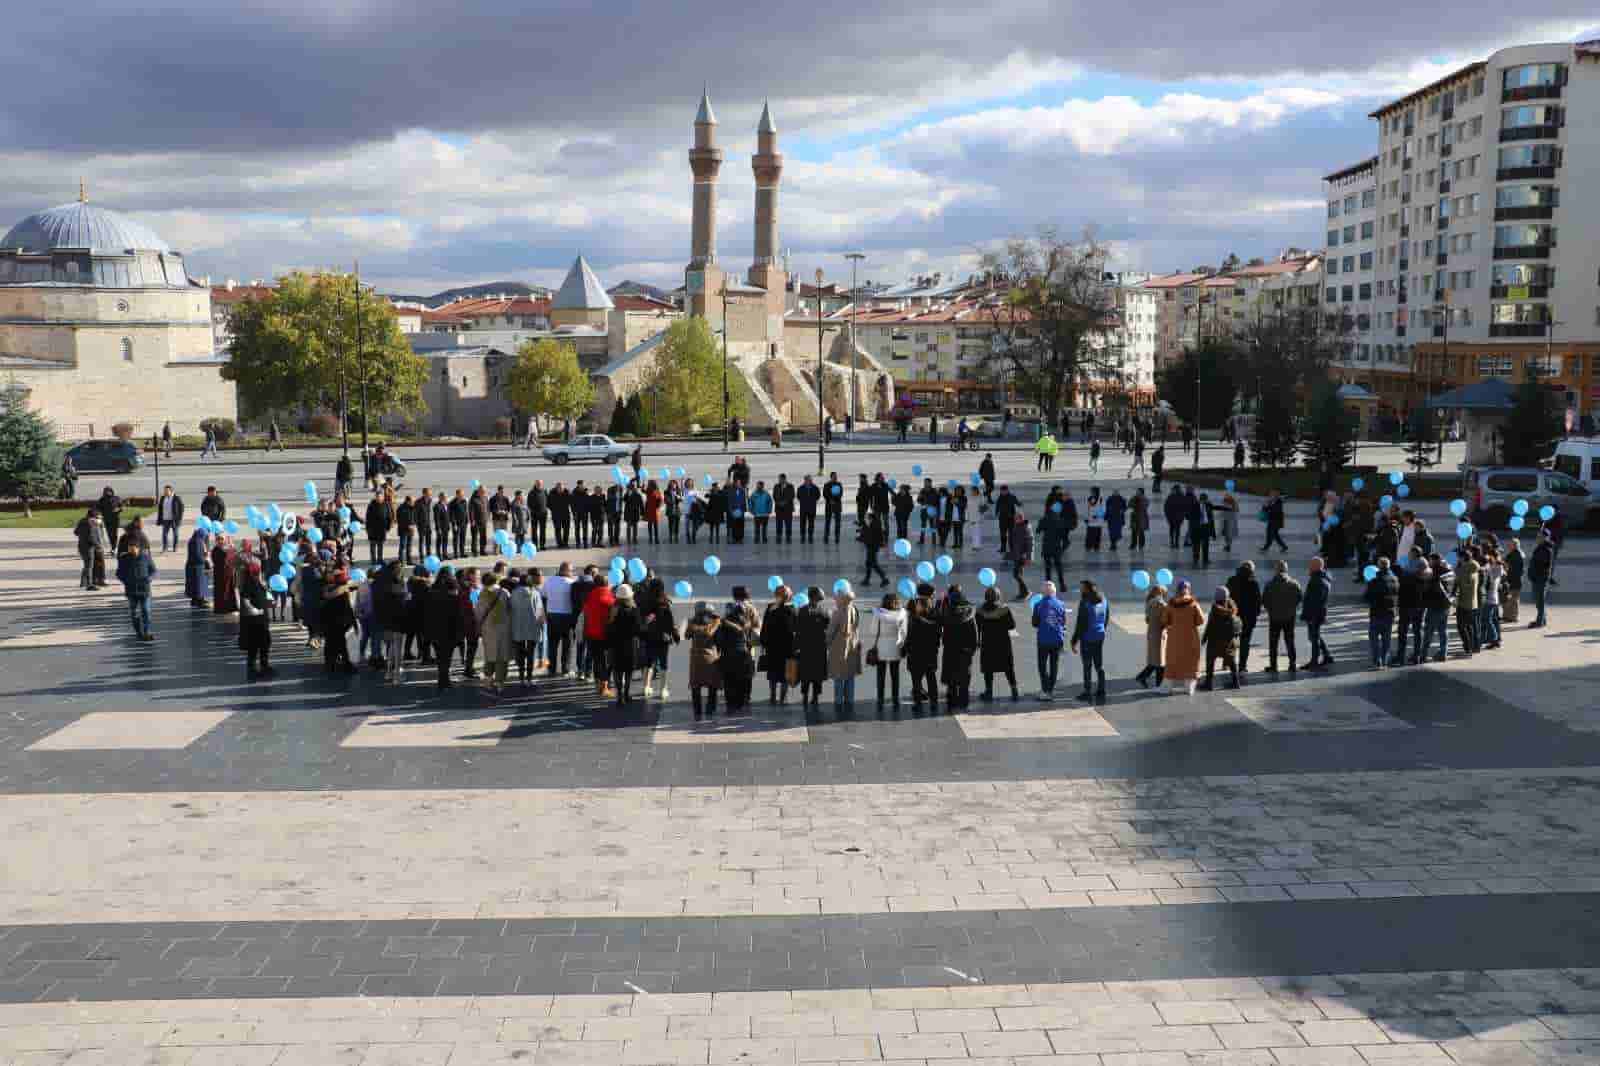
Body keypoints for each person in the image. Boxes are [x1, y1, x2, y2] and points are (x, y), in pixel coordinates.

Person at [1161, 580, 1205, 695]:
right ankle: (1189, 688)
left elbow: (1164, 619)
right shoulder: (1193, 604)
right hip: (1191, 637)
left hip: (1174, 637)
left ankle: (1167, 687)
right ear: (1188, 590)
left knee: (1172, 660)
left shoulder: (1171, 604)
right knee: (1190, 662)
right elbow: (1200, 620)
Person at [904, 583, 943, 712]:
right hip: (930, 649)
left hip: (915, 650)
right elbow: (938, 630)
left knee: (916, 679)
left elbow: (907, 631)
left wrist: (907, 647)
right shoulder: (934, 609)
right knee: (931, 677)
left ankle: (918, 703)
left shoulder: (912, 607)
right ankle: (934, 702)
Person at [975, 587, 1018, 702]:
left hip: (987, 643)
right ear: (998, 596)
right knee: (1008, 667)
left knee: (988, 669)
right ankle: (1014, 691)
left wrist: (978, 641)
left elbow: (977, 627)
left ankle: (989, 692)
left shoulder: (979, 611)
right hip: (1003, 642)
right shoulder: (1004, 610)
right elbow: (1012, 625)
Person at [826, 582, 863, 713]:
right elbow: (856, 627)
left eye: (836, 595)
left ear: (840, 596)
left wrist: (826, 643)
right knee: (849, 676)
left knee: (838, 677)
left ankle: (838, 701)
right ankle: (849, 700)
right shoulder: (854, 608)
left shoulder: (838, 611)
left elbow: (830, 632)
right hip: (852, 645)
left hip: (838, 648)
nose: (834, 597)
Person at [939, 585, 978, 709]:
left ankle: (951, 701)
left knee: (951, 678)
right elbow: (974, 632)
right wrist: (972, 648)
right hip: (965, 650)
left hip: (950, 648)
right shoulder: (969, 614)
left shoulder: (946, 613)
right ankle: (964, 701)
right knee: (964, 677)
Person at [717, 593, 757, 713]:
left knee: (729, 681)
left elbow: (719, 639)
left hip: (728, 655)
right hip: (743, 655)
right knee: (741, 681)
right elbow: (751, 638)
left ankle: (730, 705)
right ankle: (741, 703)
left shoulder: (724, 623)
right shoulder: (746, 622)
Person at [1070, 579, 1109, 703]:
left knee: (1087, 665)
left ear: (1087, 589)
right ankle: (1101, 689)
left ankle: (1087, 691)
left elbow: (1081, 624)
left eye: (1082, 588)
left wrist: (1074, 640)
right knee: (1099, 664)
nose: (1080, 590)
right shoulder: (1104, 600)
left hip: (1087, 637)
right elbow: (1106, 617)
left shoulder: (1085, 603)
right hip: (1100, 635)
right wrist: (1102, 629)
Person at [1260, 559, 1302, 673]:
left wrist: (1271, 610)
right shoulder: (1294, 584)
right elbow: (1299, 598)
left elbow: (1264, 600)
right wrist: (1292, 608)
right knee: (1290, 641)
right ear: (1286, 570)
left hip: (1274, 617)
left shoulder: (1269, 584)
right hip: (1289, 617)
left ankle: (1273, 665)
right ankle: (1292, 664)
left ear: (1276, 570)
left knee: (1273, 642)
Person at [1029, 581, 1068, 701]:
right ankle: (1050, 689)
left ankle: (1045, 689)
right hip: (1057, 639)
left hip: (1043, 640)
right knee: (1054, 664)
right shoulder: (1061, 604)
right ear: (1054, 592)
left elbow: (1035, 623)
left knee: (1042, 665)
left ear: (1043, 593)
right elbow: (1063, 622)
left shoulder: (1038, 605)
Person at [869, 591, 907, 711]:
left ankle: (880, 699)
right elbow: (904, 632)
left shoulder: (878, 614)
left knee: (881, 676)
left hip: (881, 647)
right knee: (895, 675)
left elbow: (873, 631)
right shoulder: (902, 614)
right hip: (895, 647)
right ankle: (895, 699)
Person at [793, 587, 830, 710]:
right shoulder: (823, 611)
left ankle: (806, 696)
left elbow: (797, 630)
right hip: (818, 647)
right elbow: (828, 627)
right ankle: (814, 697)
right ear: (815, 597)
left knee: (806, 673)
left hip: (807, 648)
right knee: (816, 674)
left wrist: (796, 647)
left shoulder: (802, 610)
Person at [424, 571, 463, 689]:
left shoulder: (431, 595)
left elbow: (426, 614)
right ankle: (445, 679)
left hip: (435, 630)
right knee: (447, 656)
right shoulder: (454, 598)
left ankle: (442, 679)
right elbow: (458, 617)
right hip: (450, 631)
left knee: (440, 656)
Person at [1199, 587, 1242, 691]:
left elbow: (1210, 625)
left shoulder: (1215, 609)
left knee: (1210, 660)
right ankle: (1236, 682)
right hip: (1230, 642)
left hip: (1215, 641)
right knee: (1231, 662)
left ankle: (1209, 683)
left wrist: (1204, 638)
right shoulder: (1232, 609)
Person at [760, 586, 797, 705]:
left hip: (772, 646)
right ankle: (783, 697)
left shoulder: (770, 608)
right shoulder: (792, 609)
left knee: (772, 672)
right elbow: (796, 628)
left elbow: (764, 627)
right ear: (788, 597)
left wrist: (763, 642)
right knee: (785, 673)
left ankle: (772, 696)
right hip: (787, 647)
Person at [606, 583, 642, 704]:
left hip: (615, 644)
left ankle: (619, 695)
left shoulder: (613, 609)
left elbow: (609, 628)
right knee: (628, 670)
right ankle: (626, 694)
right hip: (630, 644)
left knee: (617, 669)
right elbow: (638, 629)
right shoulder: (634, 610)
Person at [686, 603, 723, 717]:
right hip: (711, 657)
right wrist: (716, 620)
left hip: (696, 657)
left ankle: (697, 711)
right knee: (712, 685)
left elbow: (687, 635)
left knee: (696, 685)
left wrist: (691, 622)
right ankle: (710, 710)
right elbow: (717, 639)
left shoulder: (692, 623)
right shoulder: (714, 623)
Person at [583, 573, 617, 698]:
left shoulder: (589, 596)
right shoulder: (609, 597)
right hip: (605, 634)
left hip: (591, 633)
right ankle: (604, 687)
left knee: (597, 660)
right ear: (607, 584)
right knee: (606, 662)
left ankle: (598, 684)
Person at [509, 570, 544, 687]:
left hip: (517, 626)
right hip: (532, 626)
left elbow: (510, 609)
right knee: (530, 653)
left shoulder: (513, 593)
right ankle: (529, 678)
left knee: (520, 653)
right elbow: (539, 612)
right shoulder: (535, 593)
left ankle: (521, 677)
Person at [1363, 556, 1400, 668]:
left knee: (1374, 638)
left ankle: (1377, 660)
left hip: (1376, 612)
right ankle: (1384, 659)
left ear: (1379, 566)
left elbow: (1367, 597)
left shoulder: (1374, 580)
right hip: (1389, 612)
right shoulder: (1394, 579)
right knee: (1386, 638)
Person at [1225, 561, 1261, 675]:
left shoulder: (1232, 580)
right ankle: (1242, 666)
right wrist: (1256, 615)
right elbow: (1257, 602)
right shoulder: (1253, 583)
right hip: (1248, 619)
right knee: (1245, 642)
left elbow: (1226, 599)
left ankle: (1228, 663)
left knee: (1231, 641)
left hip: (1233, 617)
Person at [116, 541, 157, 641]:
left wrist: (149, 579)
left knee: (146, 611)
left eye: (133, 547)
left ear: (138, 548)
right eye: (129, 547)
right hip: (131, 590)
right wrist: (126, 580)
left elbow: (153, 570)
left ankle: (147, 632)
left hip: (144, 589)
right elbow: (118, 573)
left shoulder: (145, 557)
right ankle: (139, 632)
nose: (131, 549)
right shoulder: (124, 558)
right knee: (134, 613)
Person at [321, 566, 358, 674]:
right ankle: (339, 665)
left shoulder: (341, 588)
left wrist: (352, 621)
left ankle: (335, 664)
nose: (331, 575)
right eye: (330, 573)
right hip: (332, 622)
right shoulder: (327, 587)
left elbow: (348, 607)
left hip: (338, 622)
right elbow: (329, 595)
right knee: (336, 644)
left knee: (337, 644)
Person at [1135, 583, 1168, 688]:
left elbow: (1147, 620)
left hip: (1152, 632)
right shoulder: (1161, 604)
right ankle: (1159, 684)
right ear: (1161, 592)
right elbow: (1165, 619)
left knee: (1155, 659)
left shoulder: (1149, 602)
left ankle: (1142, 677)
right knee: (1160, 661)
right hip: (1159, 633)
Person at [1454, 547, 1482, 656]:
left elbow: (1459, 584)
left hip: (1464, 602)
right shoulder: (1475, 567)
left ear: (1462, 558)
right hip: (1473, 602)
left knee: (1461, 627)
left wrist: (1457, 571)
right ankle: (1474, 647)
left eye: (1459, 558)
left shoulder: (1464, 571)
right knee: (1470, 626)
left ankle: (1467, 648)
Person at [1481, 548, 1504, 650]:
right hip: (1494, 598)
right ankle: (1497, 638)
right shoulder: (1496, 567)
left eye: (1489, 556)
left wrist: (1487, 568)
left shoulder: (1496, 568)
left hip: (1490, 598)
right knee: (1494, 620)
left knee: (1487, 619)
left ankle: (1494, 639)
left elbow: (1490, 580)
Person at [1007, 512, 1033, 601]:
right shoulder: (1018, 526)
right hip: (1017, 555)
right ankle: (1022, 593)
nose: (1015, 520)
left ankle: (1026, 591)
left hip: (1022, 556)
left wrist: (1028, 557)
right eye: (1015, 518)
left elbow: (1030, 544)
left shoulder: (1025, 528)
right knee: (1019, 574)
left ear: (1021, 519)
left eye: (1016, 518)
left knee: (1016, 574)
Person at [1502, 538, 1524, 625]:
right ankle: (1509, 615)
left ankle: (1513, 616)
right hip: (1513, 579)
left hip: (1514, 579)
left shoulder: (1516, 555)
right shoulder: (1515, 554)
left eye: (1510, 544)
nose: (1508, 546)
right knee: (1511, 599)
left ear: (1514, 545)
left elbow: (1512, 568)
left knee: (1513, 599)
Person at [797, 475, 820, 544]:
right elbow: (798, 496)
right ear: (805, 480)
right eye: (807, 480)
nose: (809, 481)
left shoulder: (815, 488)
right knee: (802, 524)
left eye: (810, 480)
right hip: (803, 508)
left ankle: (810, 537)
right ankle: (803, 537)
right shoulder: (800, 488)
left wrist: (812, 501)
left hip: (812, 508)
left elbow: (818, 496)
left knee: (811, 524)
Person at [822, 473, 844, 544]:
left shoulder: (839, 484)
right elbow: (825, 494)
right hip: (829, 506)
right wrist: (830, 500)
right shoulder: (827, 485)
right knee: (827, 522)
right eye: (834, 477)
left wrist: (834, 500)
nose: (835, 478)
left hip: (837, 505)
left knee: (837, 523)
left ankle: (837, 537)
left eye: (836, 477)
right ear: (831, 477)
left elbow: (840, 494)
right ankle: (826, 537)